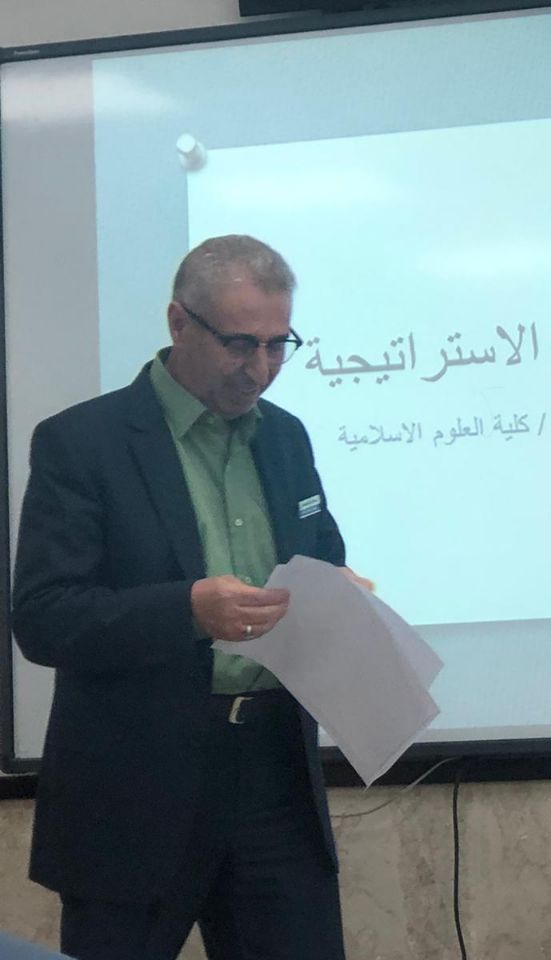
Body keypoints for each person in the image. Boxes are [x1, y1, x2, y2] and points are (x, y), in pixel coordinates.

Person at [12, 235, 361, 959]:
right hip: (134, 791)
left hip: (274, 777)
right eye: (240, 344)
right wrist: (187, 612)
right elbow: (44, 618)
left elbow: (323, 556)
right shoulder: (83, 442)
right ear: (179, 322)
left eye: (278, 344)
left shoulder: (286, 438)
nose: (260, 368)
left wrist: (339, 593)